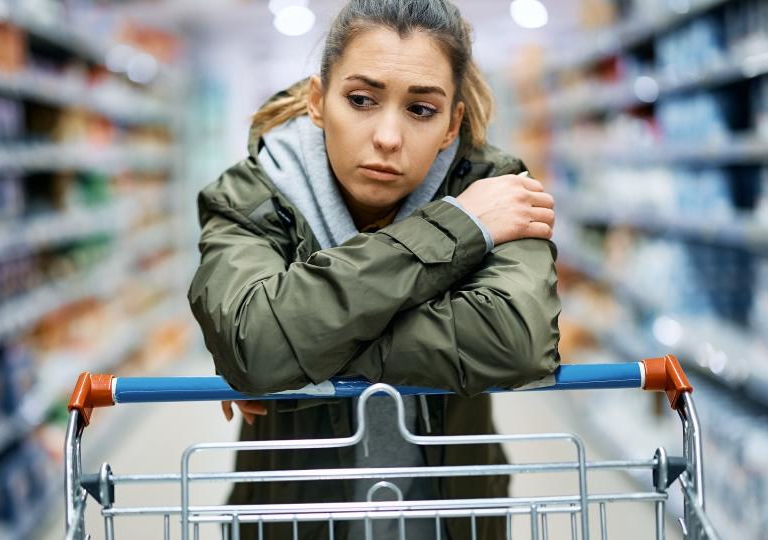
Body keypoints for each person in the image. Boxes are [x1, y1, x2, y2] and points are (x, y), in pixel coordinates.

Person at [188, 0, 561, 538]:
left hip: (453, 515)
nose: (388, 137)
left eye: (421, 110)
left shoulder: (496, 191)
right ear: (318, 101)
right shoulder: (248, 198)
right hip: (294, 519)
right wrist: (457, 226)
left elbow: (517, 340)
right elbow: (255, 342)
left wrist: (297, 347)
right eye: (361, 100)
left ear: (453, 123)